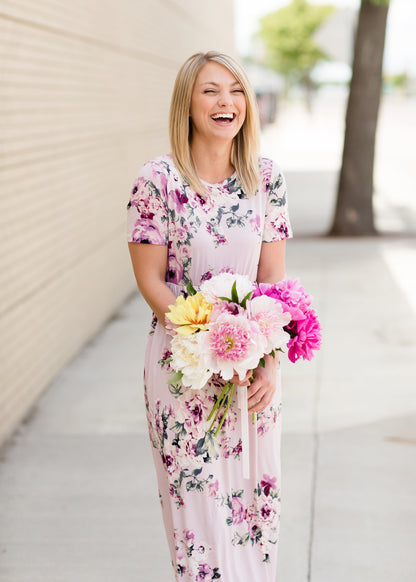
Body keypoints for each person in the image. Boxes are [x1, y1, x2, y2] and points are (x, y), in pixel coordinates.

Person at [126, 51, 292, 582]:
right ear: (188, 104)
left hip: (253, 375)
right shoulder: (158, 180)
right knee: (198, 523)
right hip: (184, 370)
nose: (227, 102)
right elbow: (152, 280)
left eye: (236, 91)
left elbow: (272, 283)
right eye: (211, 91)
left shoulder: (266, 178)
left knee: (251, 512)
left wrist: (267, 361)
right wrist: (204, 339)